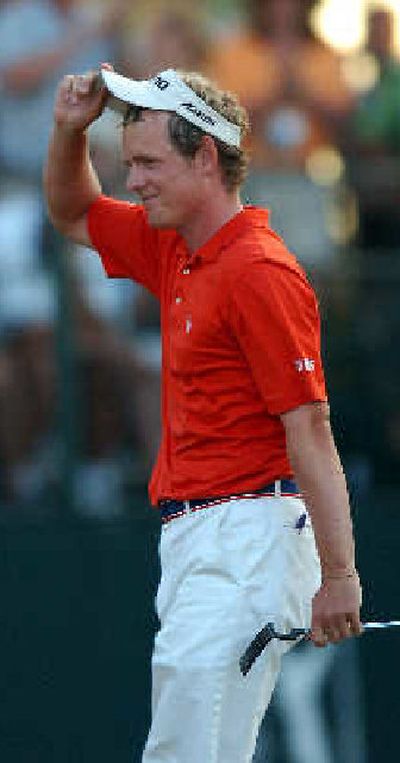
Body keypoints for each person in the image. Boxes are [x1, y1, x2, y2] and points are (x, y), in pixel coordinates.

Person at [43, 62, 362, 762]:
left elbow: (309, 427)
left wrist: (340, 576)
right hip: (201, 537)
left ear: (206, 156)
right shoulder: (176, 248)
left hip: (250, 536)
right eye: (129, 164)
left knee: (188, 751)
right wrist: (71, 129)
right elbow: (71, 211)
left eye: (149, 163)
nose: (134, 181)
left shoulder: (258, 270)